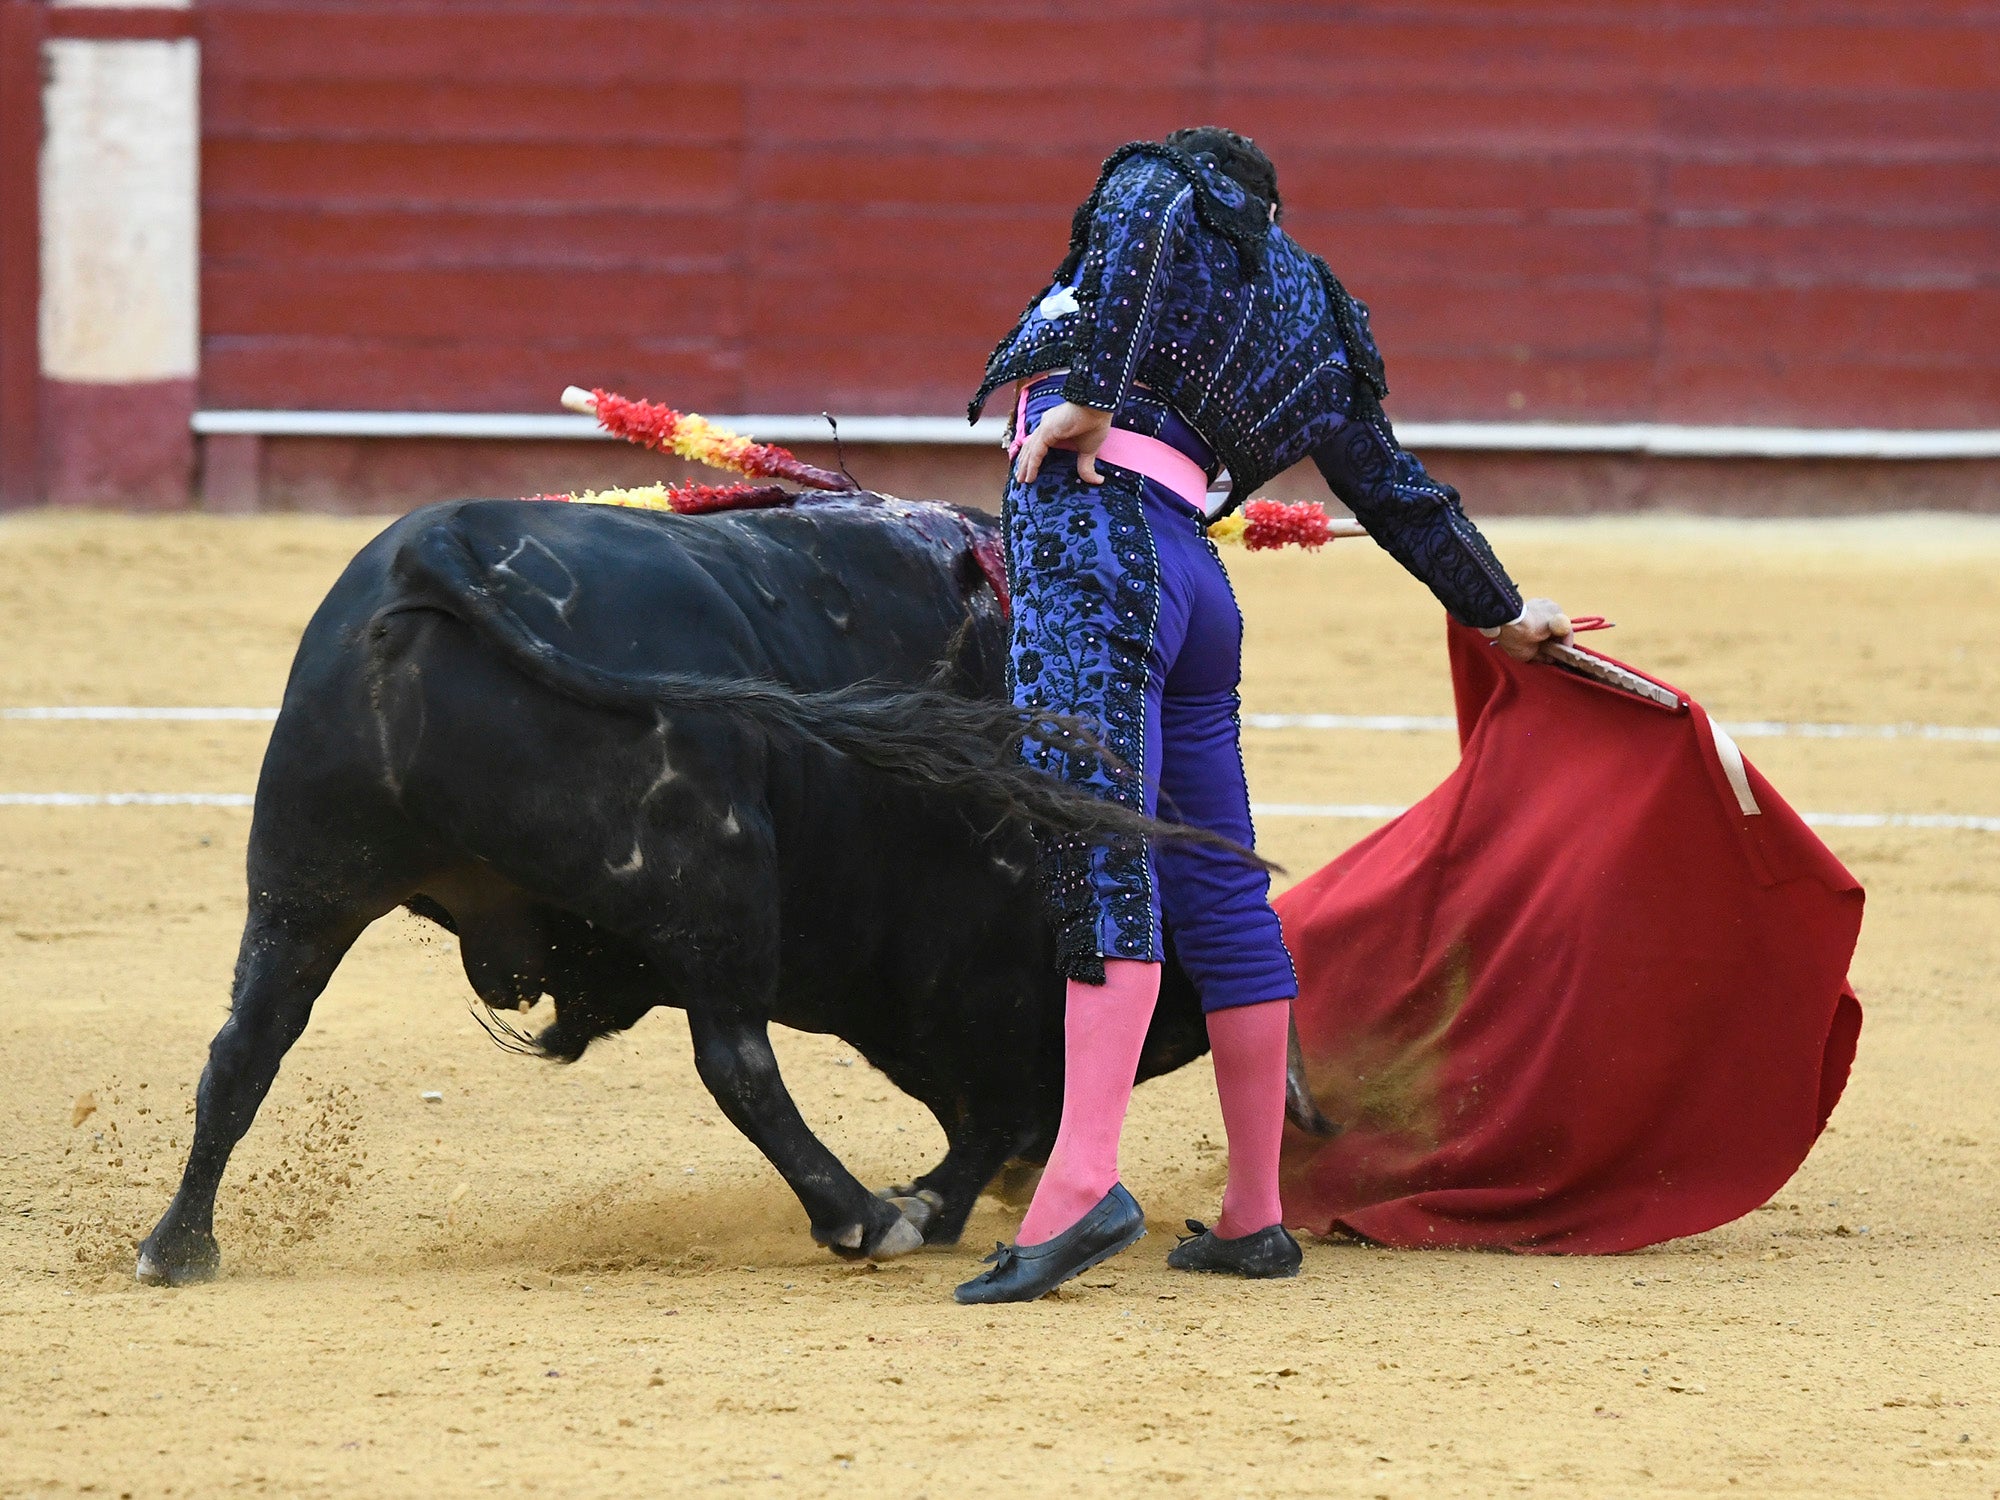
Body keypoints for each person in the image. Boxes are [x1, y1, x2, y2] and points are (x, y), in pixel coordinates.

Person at [952, 127, 1572, 1305]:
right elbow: (1393, 490)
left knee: (1101, 854)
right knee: (1221, 886)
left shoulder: (1155, 191)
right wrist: (1496, 610)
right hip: (1193, 583)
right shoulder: (1318, 317)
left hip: (1096, 548)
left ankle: (1080, 1183)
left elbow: (1134, 219)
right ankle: (1253, 1213)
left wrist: (1086, 394)